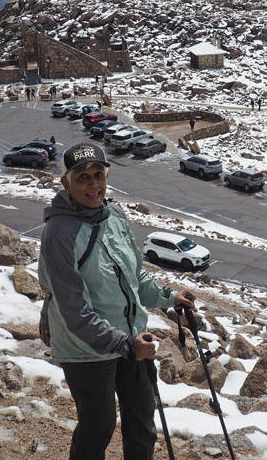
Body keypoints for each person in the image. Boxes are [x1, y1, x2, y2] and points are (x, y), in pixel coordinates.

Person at [39, 142, 196, 460]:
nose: (94, 184)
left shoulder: (115, 219)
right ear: (66, 183)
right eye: (82, 177)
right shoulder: (60, 233)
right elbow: (74, 311)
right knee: (98, 426)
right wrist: (127, 345)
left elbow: (135, 277)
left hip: (131, 339)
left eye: (99, 174)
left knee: (142, 423)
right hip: (85, 347)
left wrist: (168, 297)